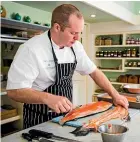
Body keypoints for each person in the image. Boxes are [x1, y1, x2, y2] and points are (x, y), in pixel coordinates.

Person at [6, 4, 129, 129]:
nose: (77, 38)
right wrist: (47, 98)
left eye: (79, 33)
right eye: (73, 33)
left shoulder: (76, 47)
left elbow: (94, 72)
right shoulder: (31, 49)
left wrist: (115, 95)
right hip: (38, 119)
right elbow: (14, 91)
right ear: (57, 27)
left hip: (67, 116)